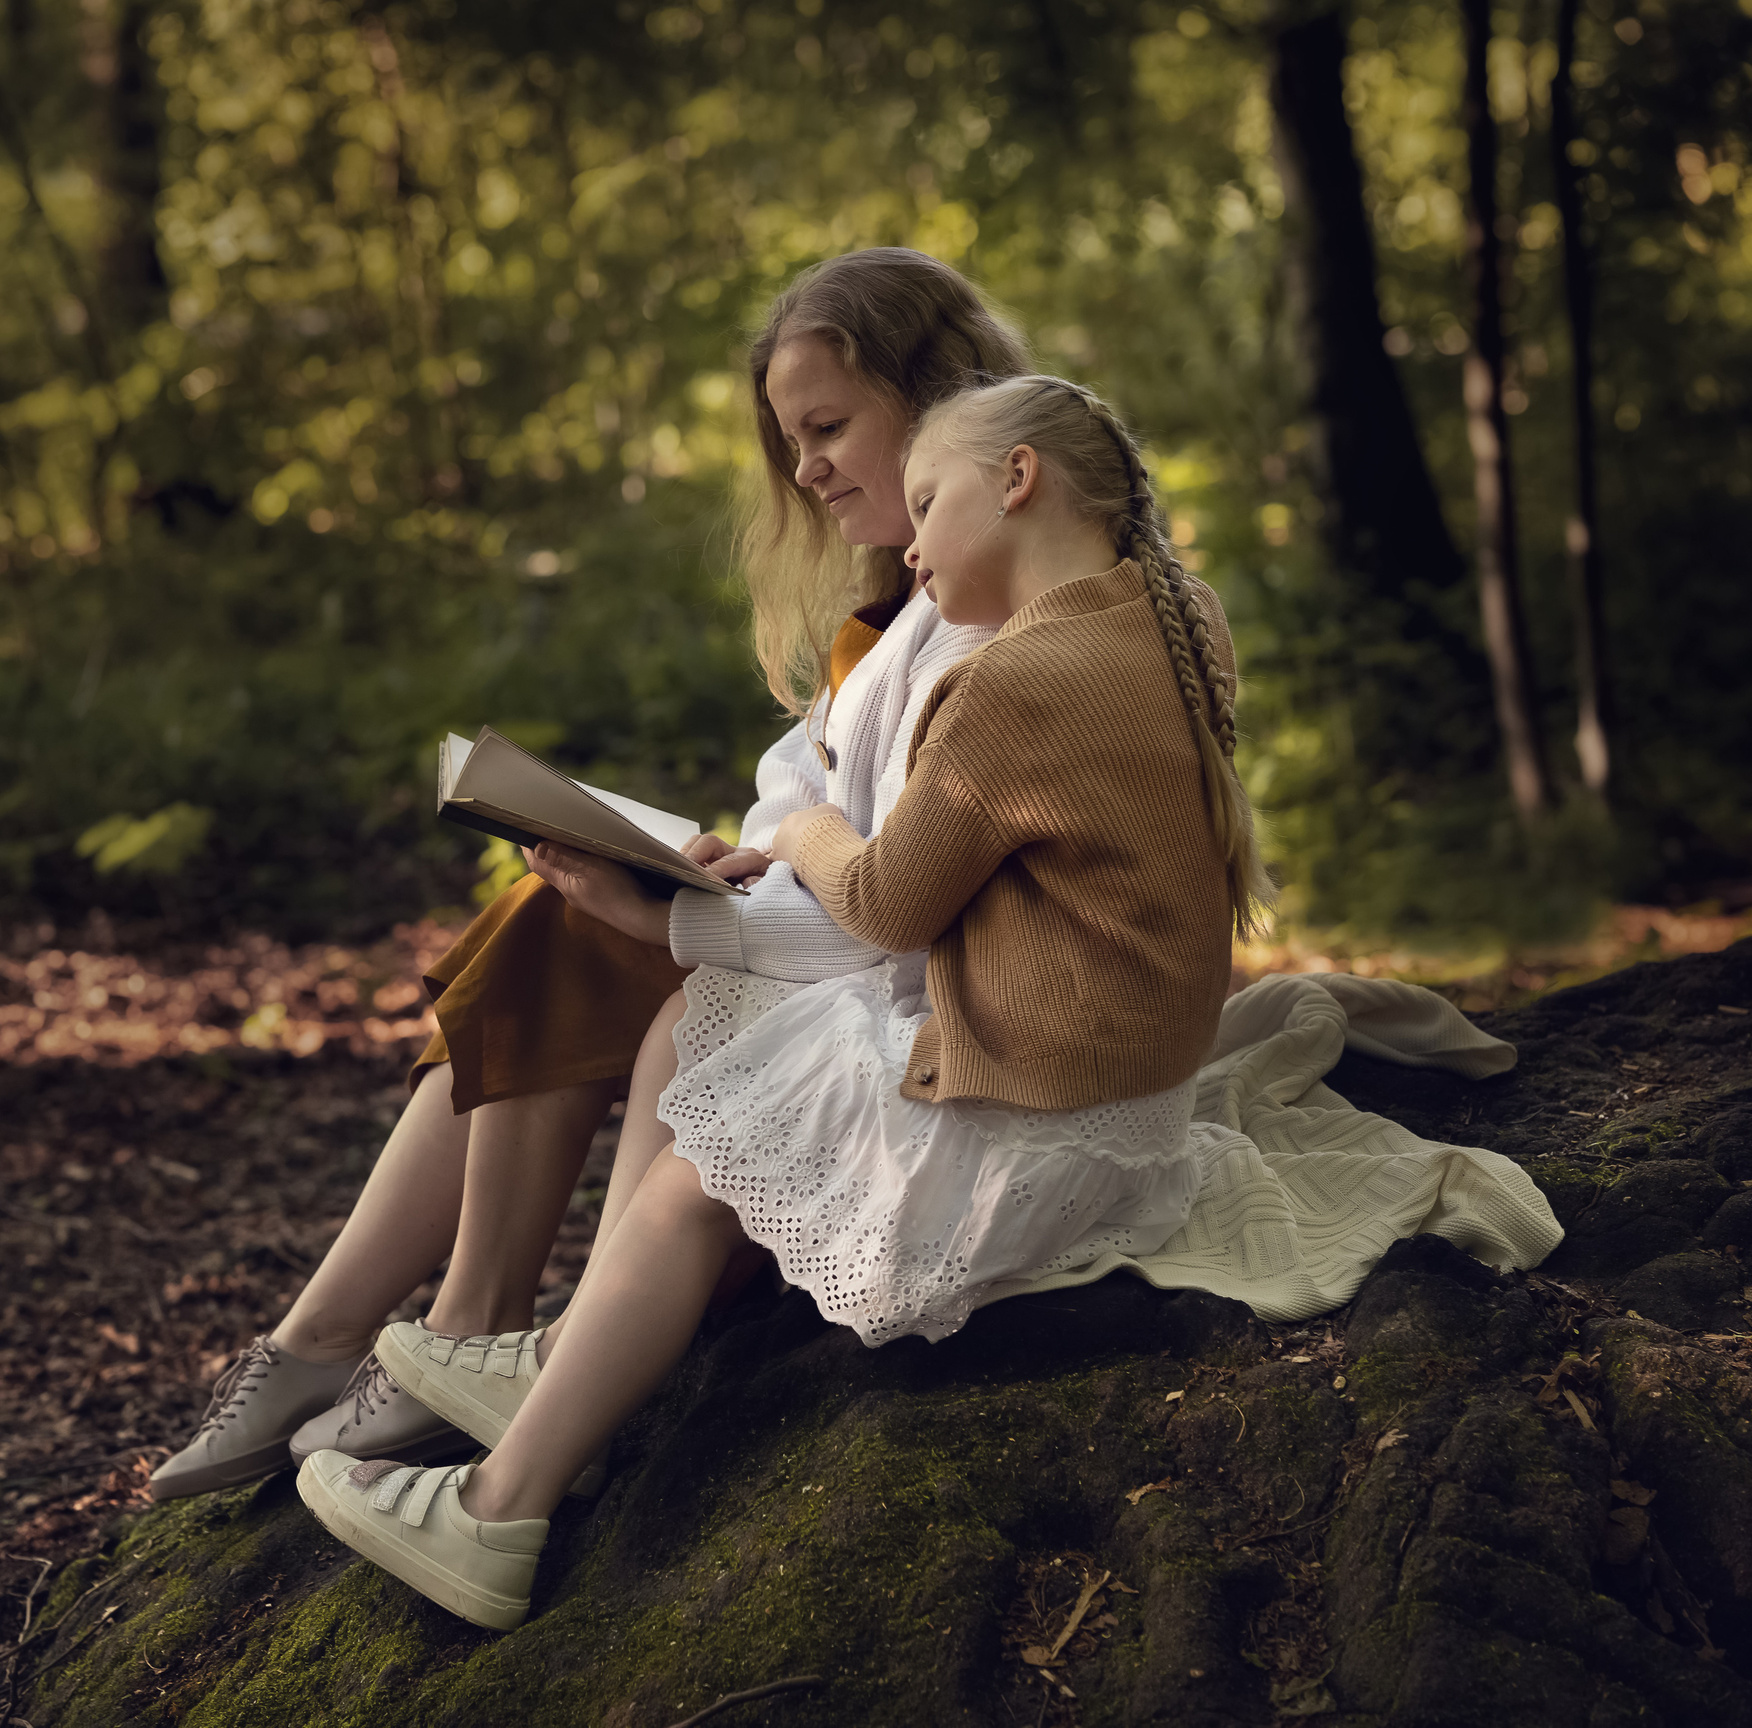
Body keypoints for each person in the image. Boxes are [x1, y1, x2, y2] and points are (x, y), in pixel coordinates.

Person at [294, 373, 1271, 1631]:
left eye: (928, 501)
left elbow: (882, 905)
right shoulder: (1172, 615)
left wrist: (801, 825)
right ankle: (570, 1362)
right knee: (713, 1027)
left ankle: (496, 1513)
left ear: (1017, 479)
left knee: (693, 1171)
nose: (908, 543)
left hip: (1040, 1132)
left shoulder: (1017, 683)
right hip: (1118, 1105)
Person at [147, 248, 1034, 1502]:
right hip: (831, 943)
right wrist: (709, 861)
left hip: (911, 1006)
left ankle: (401, 1335)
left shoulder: (997, 617)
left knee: (576, 931)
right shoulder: (892, 608)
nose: (805, 469)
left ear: (938, 397)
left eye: (830, 427)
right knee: (553, 911)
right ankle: (371, 1333)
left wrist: (725, 891)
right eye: (791, 440)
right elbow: (806, 801)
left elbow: (894, 890)